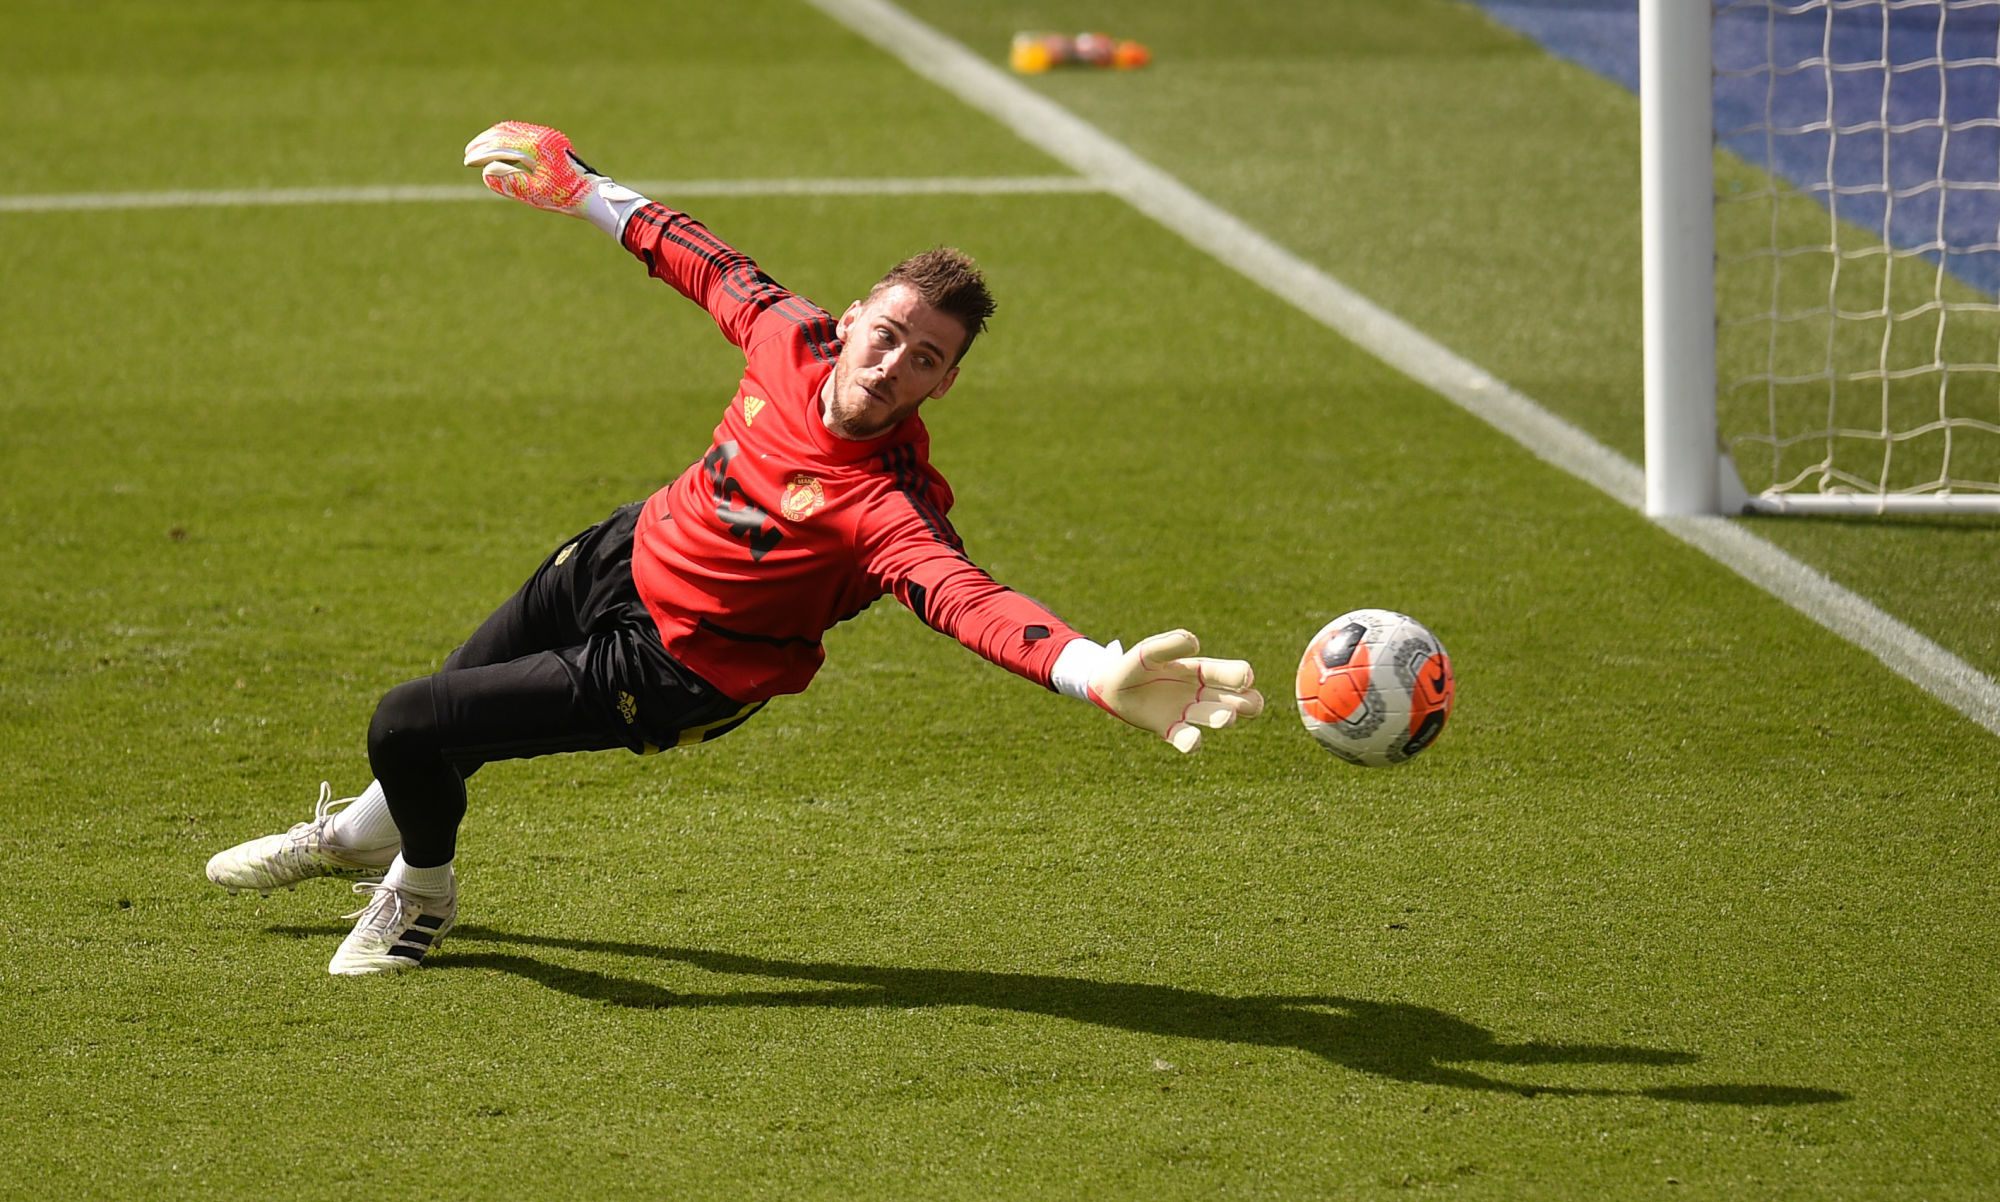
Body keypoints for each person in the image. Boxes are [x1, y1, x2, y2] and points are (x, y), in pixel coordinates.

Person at [205, 122, 1265, 977]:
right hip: (619, 557)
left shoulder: (885, 503)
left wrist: (1091, 670)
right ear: (851, 320)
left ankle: (421, 889)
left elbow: (965, 597)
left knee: (408, 719)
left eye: (925, 358)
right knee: (450, 707)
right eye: (888, 333)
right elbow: (700, 259)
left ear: (944, 385)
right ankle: (354, 837)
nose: (892, 363)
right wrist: (581, 187)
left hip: (676, 665)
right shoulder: (788, 334)